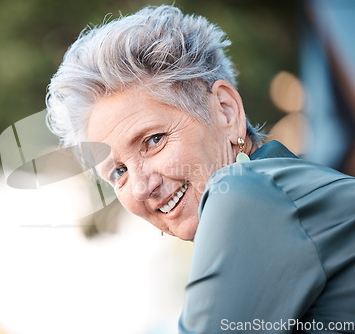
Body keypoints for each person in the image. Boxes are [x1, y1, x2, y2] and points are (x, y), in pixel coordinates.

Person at [45, 5, 355, 333]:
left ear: (225, 111)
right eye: (118, 171)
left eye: (153, 141)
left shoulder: (245, 194)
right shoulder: (289, 192)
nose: (140, 188)